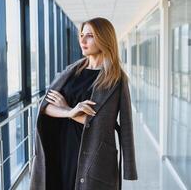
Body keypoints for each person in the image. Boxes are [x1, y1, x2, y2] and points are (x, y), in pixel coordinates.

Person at [29, 17, 138, 190]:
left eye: (89, 36)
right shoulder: (71, 72)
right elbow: (46, 108)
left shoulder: (116, 79)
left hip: (94, 155)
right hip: (62, 148)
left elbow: (112, 124)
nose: (82, 40)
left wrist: (65, 109)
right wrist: (69, 112)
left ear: (103, 38)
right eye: (81, 35)